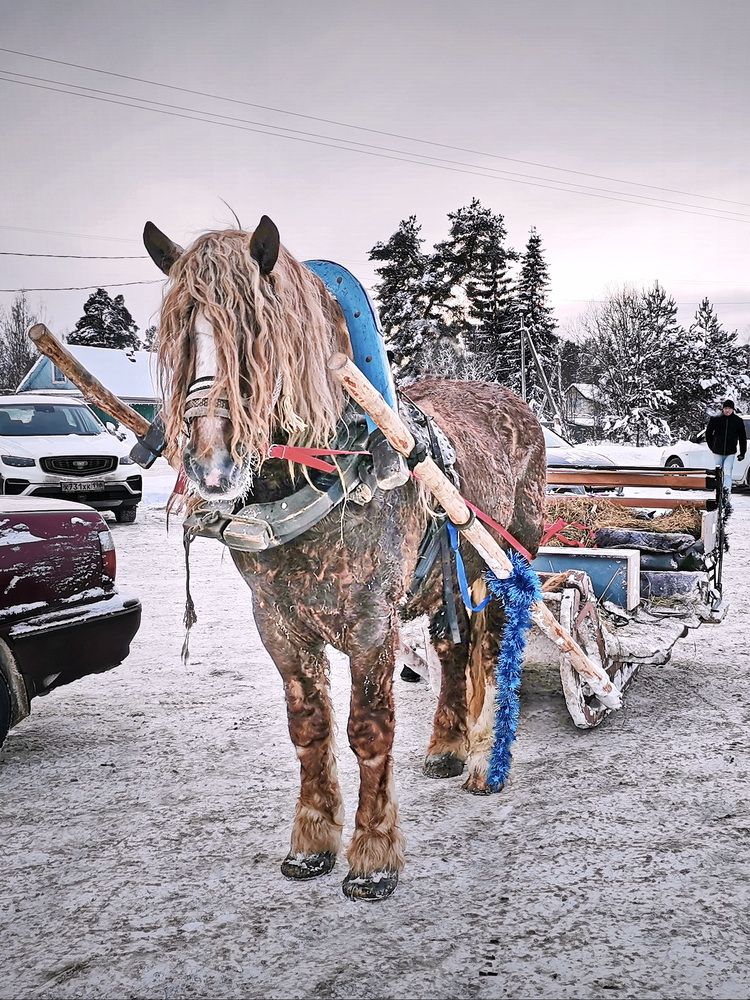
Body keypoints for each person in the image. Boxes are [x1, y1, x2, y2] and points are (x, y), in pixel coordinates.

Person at [705, 399, 747, 492]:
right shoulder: (715, 419)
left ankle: (726, 494)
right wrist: (712, 446)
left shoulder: (738, 421)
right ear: (723, 409)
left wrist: (742, 453)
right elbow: (708, 434)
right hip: (717, 452)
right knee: (718, 474)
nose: (727, 410)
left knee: (728, 473)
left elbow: (742, 437)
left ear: (733, 410)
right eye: (726, 408)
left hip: (730, 452)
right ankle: (718, 493)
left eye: (729, 408)